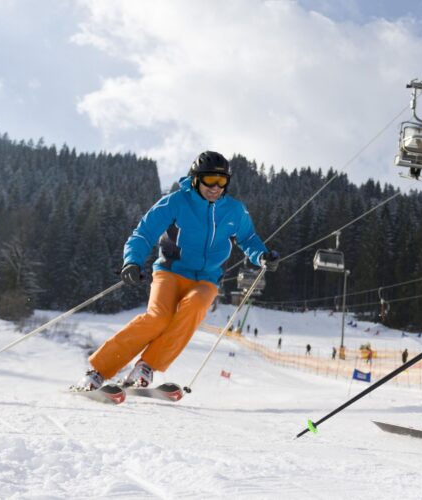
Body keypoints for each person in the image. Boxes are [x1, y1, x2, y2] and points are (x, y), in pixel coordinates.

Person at [73, 151, 280, 391]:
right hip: (171, 271)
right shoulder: (176, 202)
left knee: (195, 307)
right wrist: (132, 261)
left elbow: (248, 238)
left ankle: (146, 367)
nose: (215, 187)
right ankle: (98, 370)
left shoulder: (235, 210)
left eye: (222, 181)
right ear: (195, 179)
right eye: (209, 180)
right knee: (158, 318)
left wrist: (261, 254)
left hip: (207, 278)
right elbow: (144, 232)